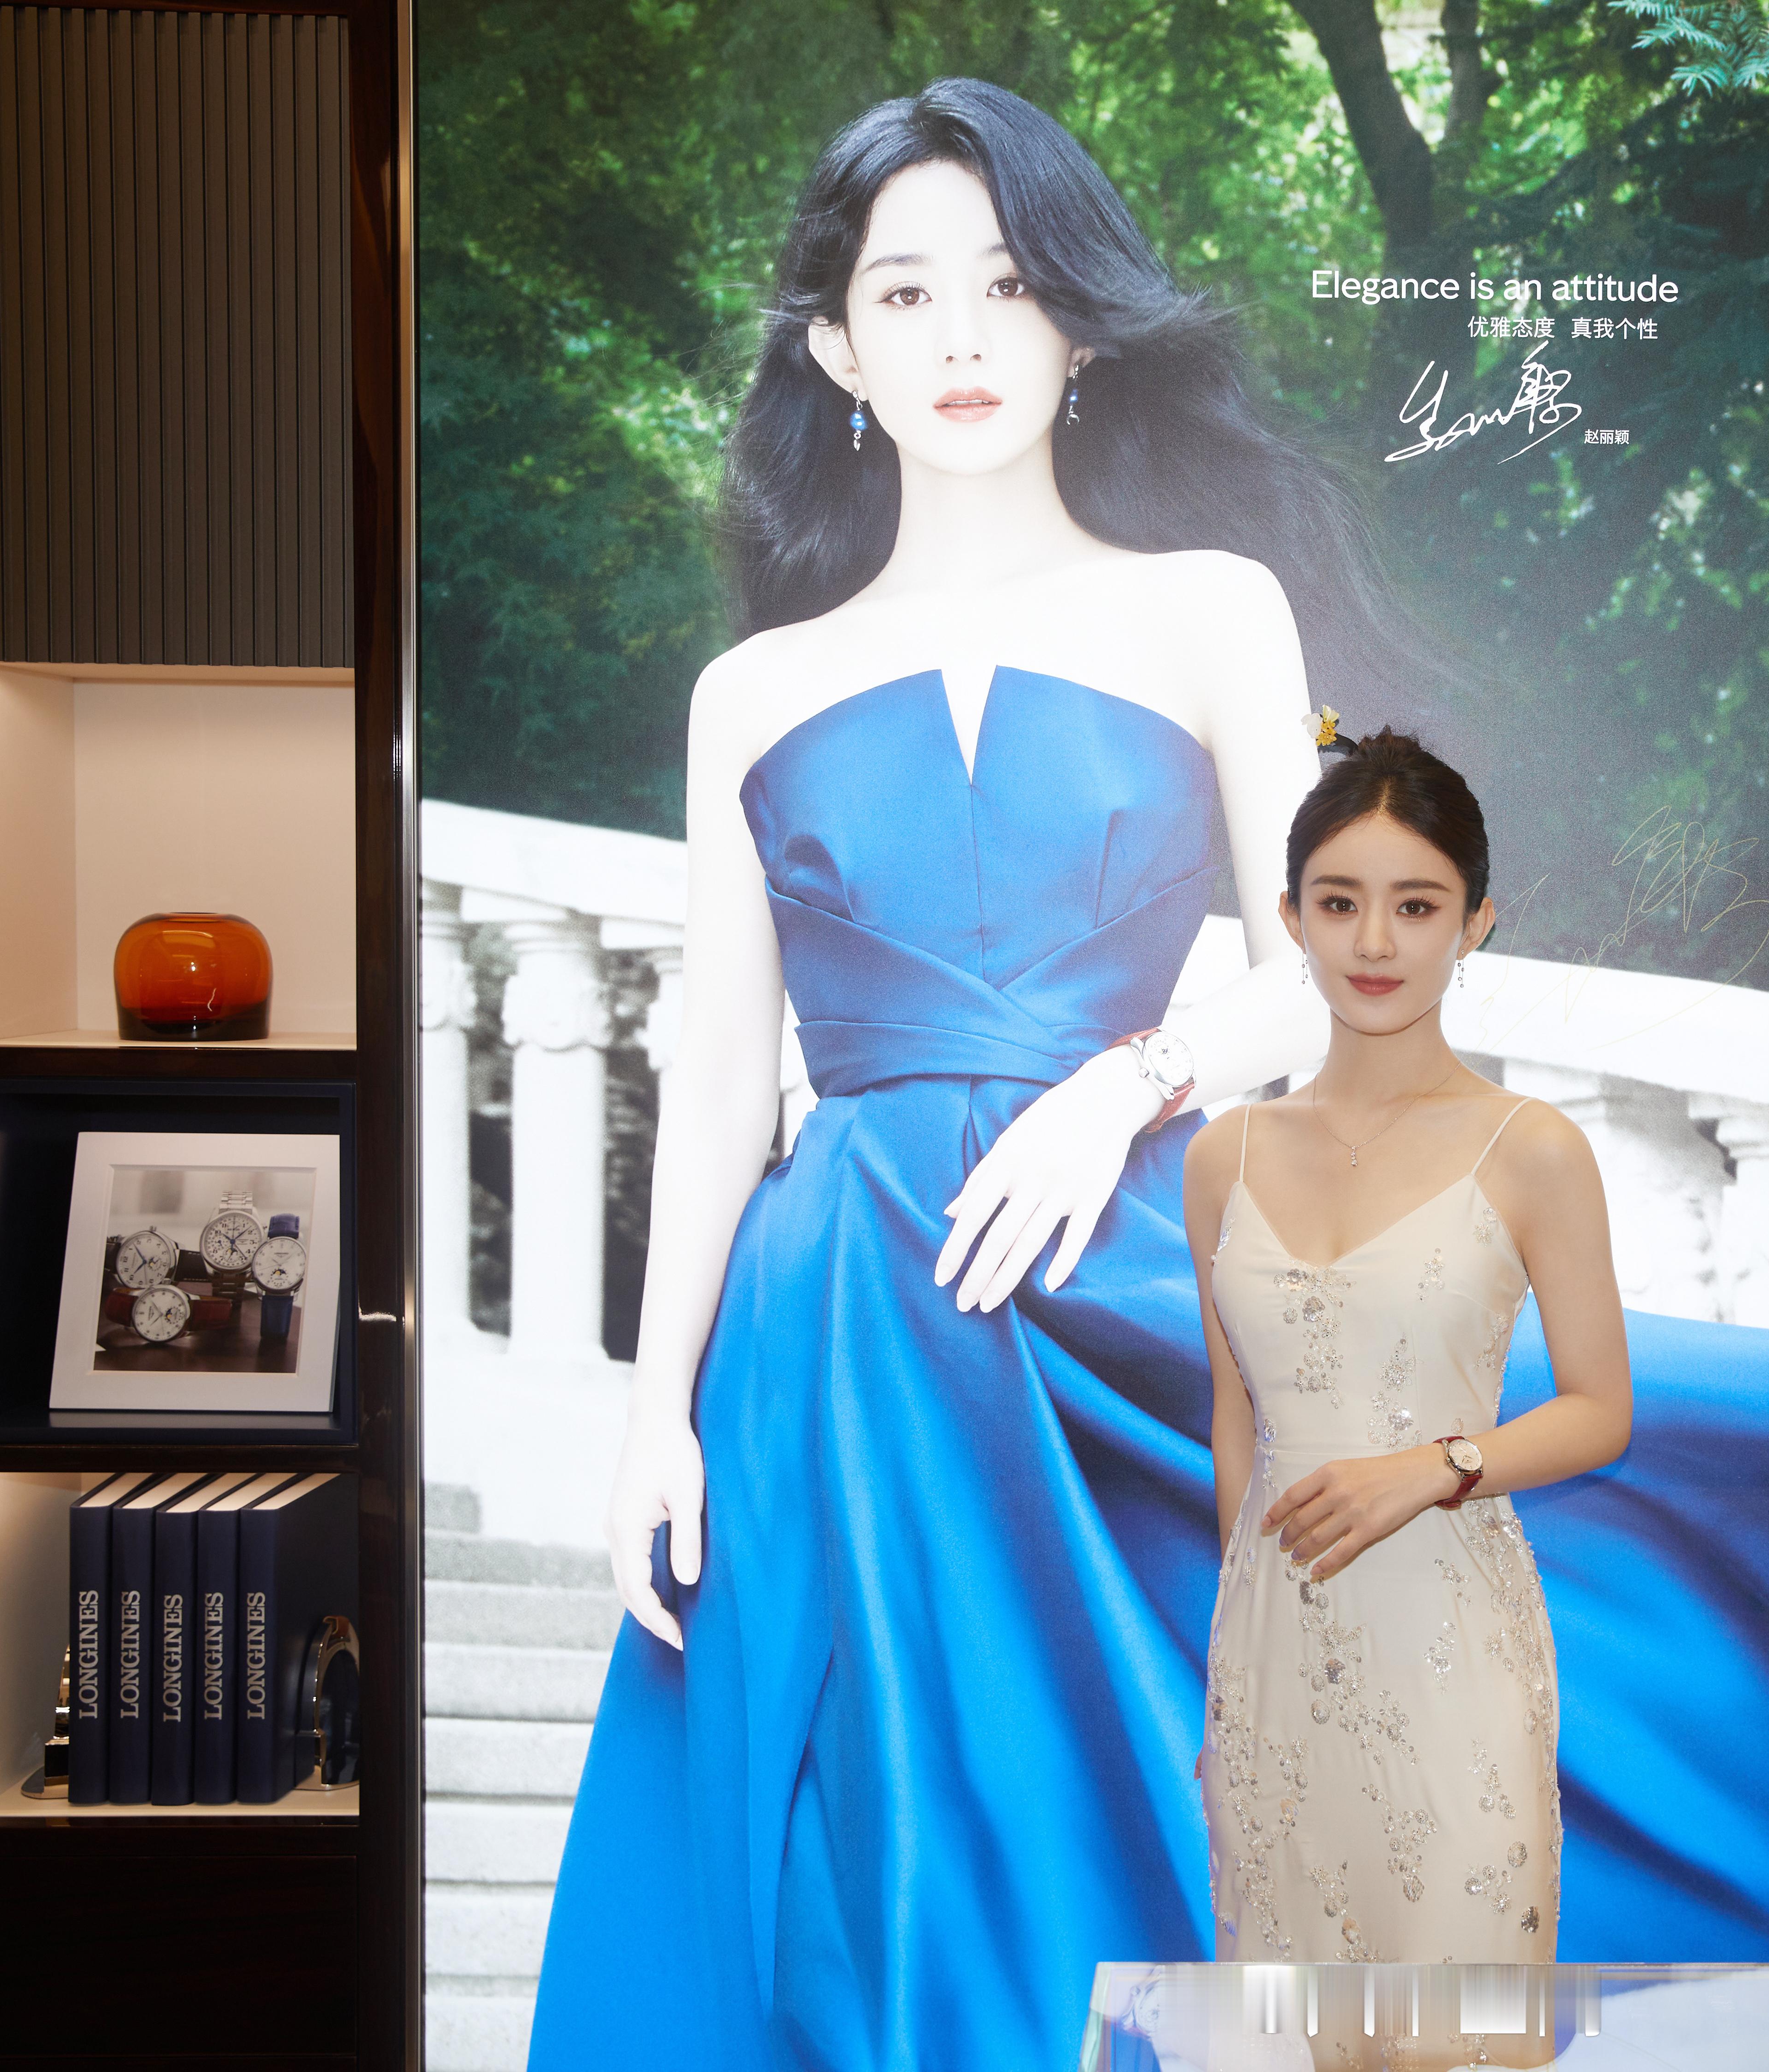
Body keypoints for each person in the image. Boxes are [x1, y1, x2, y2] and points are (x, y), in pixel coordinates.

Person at [528, 77, 1407, 2069]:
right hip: (835, 1328)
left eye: (1008, 284)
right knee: (847, 1890)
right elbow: (721, 1082)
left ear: (1079, 323)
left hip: (1118, 1282)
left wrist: (1127, 1084)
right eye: (904, 293)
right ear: (836, 349)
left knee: (1157, 1823)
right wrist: (655, 1411)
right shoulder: (750, 691)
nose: (961, 337)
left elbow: (1330, 972)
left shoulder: (1210, 609)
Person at [1188, 733, 1629, 2021]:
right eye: (1339, 903)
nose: (1374, 941)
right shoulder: (1222, 1156)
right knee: (1287, 2037)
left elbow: (1601, 1410)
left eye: (1417, 905)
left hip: (1453, 1647)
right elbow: (1235, 1428)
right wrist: (1234, 1672)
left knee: (1456, 2029)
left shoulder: (1532, 1149)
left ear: (1474, 922)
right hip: (1272, 1655)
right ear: (1292, 919)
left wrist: (1434, 1469)